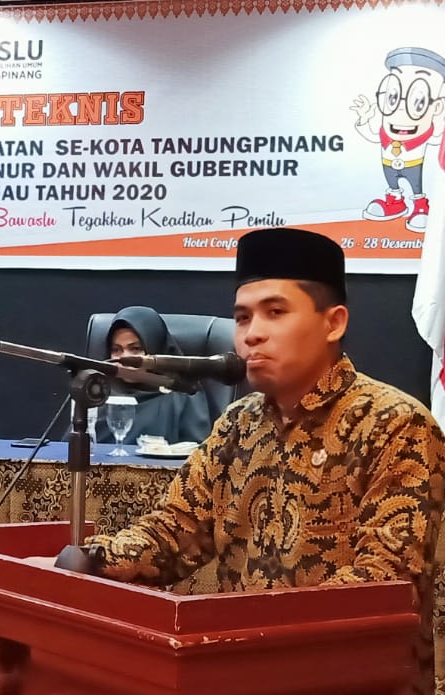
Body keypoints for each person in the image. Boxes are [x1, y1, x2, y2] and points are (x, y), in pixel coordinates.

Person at [71, 228, 445, 694]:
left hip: (355, 680)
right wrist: (88, 561)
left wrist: (256, 637)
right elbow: (176, 530)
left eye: (275, 312)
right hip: (243, 672)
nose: (253, 334)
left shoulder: (395, 424)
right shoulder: (238, 423)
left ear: (333, 323)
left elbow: (383, 584)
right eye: (242, 318)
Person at [98, 305, 213, 444]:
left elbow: (199, 452)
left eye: (135, 349)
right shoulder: (99, 393)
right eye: (116, 350)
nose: (125, 358)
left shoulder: (185, 392)